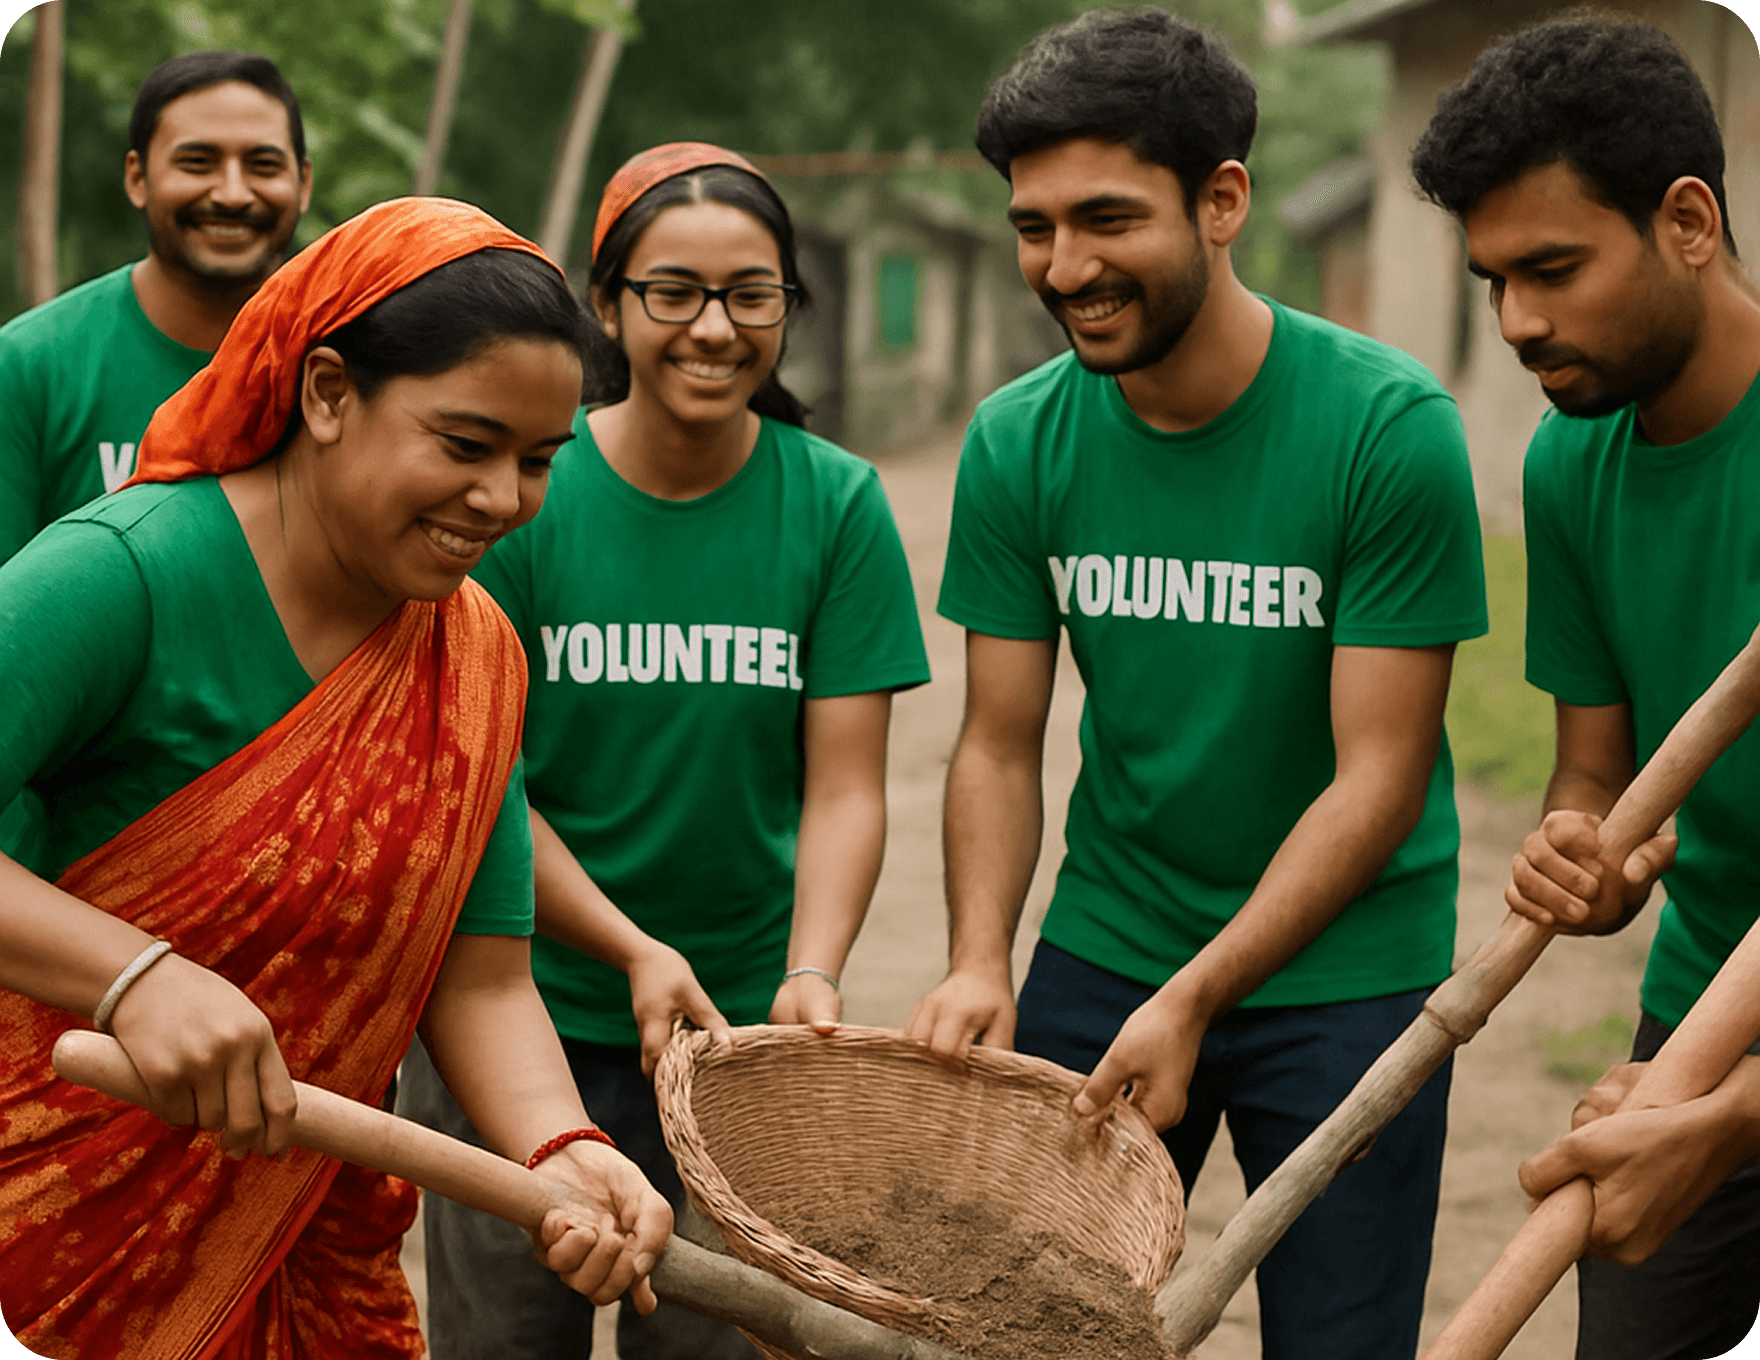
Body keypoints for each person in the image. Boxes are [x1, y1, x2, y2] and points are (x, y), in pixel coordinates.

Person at [903, 10, 1487, 1359]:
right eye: (1034, 225)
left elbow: (1381, 776)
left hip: (1351, 970)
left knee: (1339, 1340)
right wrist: (981, 956)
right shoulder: (1018, 441)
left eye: (1108, 218)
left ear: (1223, 200)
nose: (1067, 266)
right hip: (1109, 941)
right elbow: (997, 744)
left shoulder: (1387, 433)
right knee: (1031, 1329)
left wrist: (1202, 994)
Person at [0, 197, 672, 1360]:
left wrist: (565, 1148)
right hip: (52, 1237)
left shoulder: (475, 655)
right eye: (464, 446)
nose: (502, 501)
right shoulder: (121, 577)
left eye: (537, 462)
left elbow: (481, 980)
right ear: (325, 393)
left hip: (308, 1250)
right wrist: (134, 978)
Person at [397, 143, 930, 1360]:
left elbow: (847, 781)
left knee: (707, 1344)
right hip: (515, 1011)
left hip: (732, 1046)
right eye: (672, 292)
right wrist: (633, 946)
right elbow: (486, 782)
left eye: (752, 295)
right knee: (501, 1341)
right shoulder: (527, 492)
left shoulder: (837, 504)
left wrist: (811, 973)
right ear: (607, 304)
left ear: (789, 306)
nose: (714, 327)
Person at [1411, 14, 1760, 1359]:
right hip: (1700, 1003)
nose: (1518, 322)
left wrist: (1728, 1121)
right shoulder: (1572, 462)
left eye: (1552, 268)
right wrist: (1586, 858)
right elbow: (1599, 777)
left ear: (1686, 220)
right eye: (1492, 280)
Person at [0, 49, 312, 566]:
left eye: (262, 165)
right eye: (197, 162)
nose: (233, 194)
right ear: (138, 178)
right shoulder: (28, 367)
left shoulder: (345, 367)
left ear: (303, 184)